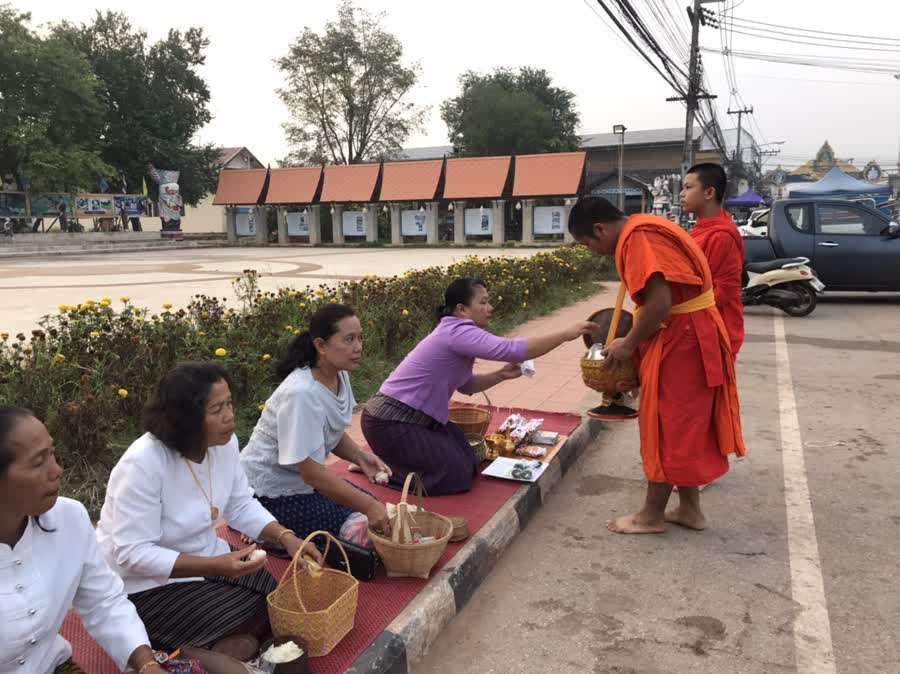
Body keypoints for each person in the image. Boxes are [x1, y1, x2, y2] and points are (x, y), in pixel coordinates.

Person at [96, 363, 321, 659]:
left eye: (229, 403)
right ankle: (173, 646)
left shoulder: (223, 444)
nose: (229, 416)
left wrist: (287, 538)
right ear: (185, 418)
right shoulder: (143, 463)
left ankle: (217, 645)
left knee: (275, 598)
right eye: (216, 410)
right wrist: (215, 566)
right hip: (145, 583)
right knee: (245, 617)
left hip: (209, 554)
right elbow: (133, 553)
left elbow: (241, 503)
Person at [568, 196, 745, 534]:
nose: (591, 249)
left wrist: (629, 344)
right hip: (693, 332)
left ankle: (651, 515)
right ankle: (690, 509)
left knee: (666, 424)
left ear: (599, 228)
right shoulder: (645, 226)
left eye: (587, 242)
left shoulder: (638, 238)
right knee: (683, 424)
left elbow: (660, 303)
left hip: (684, 338)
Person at [361, 277, 595, 495]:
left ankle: (386, 462)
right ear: (461, 309)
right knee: (455, 477)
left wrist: (502, 374)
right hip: (390, 421)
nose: (490, 307)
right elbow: (511, 349)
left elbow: (467, 385)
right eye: (483, 302)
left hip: (415, 420)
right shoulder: (457, 331)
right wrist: (566, 334)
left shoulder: (455, 332)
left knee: (469, 457)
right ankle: (383, 472)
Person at [0, 406, 165, 674]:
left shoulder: (69, 519)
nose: (57, 471)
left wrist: (146, 665)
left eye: (52, 454)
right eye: (38, 462)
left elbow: (104, 601)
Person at [240, 304, 394, 543]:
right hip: (268, 493)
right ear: (321, 345)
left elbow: (329, 430)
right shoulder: (301, 393)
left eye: (360, 338)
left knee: (380, 516)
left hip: (305, 483)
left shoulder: (339, 374)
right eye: (349, 339)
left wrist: (361, 458)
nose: (358, 347)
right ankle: (260, 524)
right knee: (361, 533)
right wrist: (368, 505)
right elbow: (311, 473)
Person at [680, 163, 745, 357]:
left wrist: (679, 312)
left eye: (688, 187)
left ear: (709, 193)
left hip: (713, 332)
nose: (682, 194)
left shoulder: (721, 236)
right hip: (695, 325)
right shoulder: (703, 229)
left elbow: (723, 291)